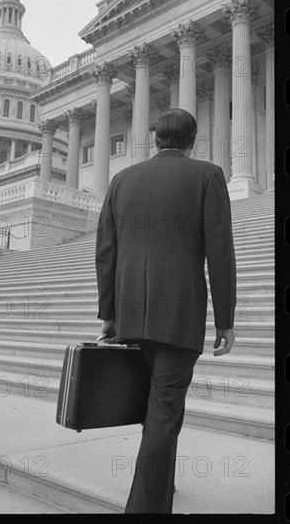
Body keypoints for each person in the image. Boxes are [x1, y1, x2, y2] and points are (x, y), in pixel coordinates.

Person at [95, 108, 236, 513]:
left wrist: (109, 312)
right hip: (178, 314)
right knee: (164, 411)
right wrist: (225, 318)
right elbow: (220, 252)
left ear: (156, 138)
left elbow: (105, 250)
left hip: (129, 314)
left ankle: (161, 488)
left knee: (157, 410)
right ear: (192, 140)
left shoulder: (122, 179)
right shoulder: (207, 175)